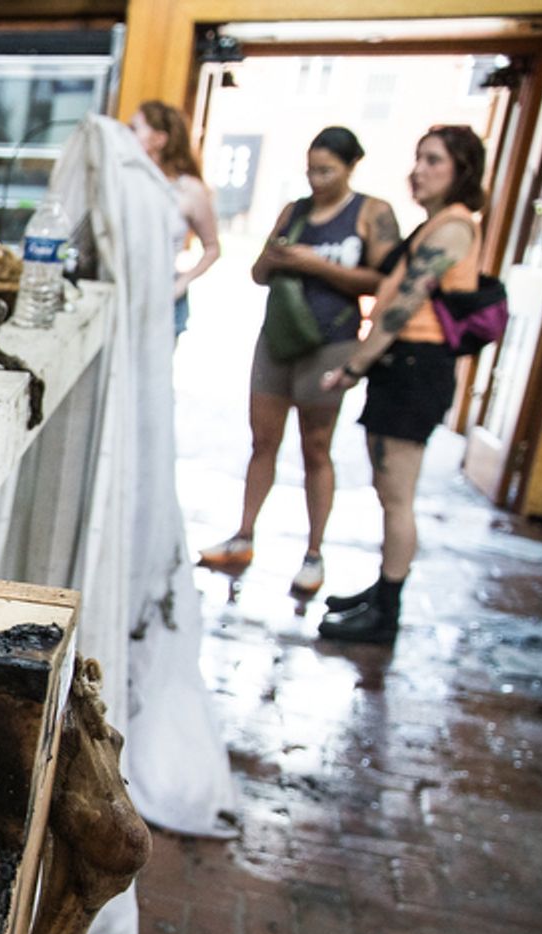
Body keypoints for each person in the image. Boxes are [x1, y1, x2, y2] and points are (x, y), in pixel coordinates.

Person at [197, 127, 399, 596]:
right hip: (278, 339)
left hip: (331, 342)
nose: (317, 179)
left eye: (327, 170)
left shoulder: (371, 213)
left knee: (316, 447)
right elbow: (258, 273)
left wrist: (320, 267)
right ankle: (243, 535)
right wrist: (278, 256)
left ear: (351, 167)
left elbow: (386, 281)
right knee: (262, 440)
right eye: (311, 168)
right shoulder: (296, 211)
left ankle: (313, 553)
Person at [314, 125, 488, 644]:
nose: (420, 169)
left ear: (461, 172)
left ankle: (386, 612)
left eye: (434, 160)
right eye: (418, 158)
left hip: (415, 366)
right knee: (388, 491)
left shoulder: (454, 228)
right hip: (403, 366)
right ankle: (381, 590)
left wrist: (354, 366)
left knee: (397, 496)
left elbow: (404, 306)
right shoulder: (435, 225)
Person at [131, 101, 221, 336]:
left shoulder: (189, 190)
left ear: (159, 139)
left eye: (135, 129)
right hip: (127, 294)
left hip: (163, 300)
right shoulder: (132, 185)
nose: (127, 135)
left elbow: (212, 248)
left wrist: (182, 283)